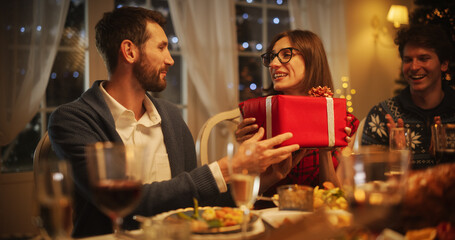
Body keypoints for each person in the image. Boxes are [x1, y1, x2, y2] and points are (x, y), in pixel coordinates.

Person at [48, 7, 300, 238]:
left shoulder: (171, 117)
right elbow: (126, 204)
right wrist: (227, 167)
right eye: (161, 47)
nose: (170, 59)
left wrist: (262, 179)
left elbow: (195, 206)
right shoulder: (72, 120)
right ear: (129, 51)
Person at [235, 30, 359, 192]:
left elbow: (336, 199)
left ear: (311, 59)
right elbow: (243, 192)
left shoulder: (343, 122)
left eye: (286, 55)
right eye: (271, 57)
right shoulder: (261, 116)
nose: (273, 64)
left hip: (317, 214)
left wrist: (325, 153)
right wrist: (245, 152)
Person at [361, 24, 455, 169]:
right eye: (408, 60)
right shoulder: (381, 115)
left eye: (423, 58)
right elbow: (369, 181)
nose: (414, 67)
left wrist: (447, 161)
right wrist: (398, 161)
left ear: (444, 64)